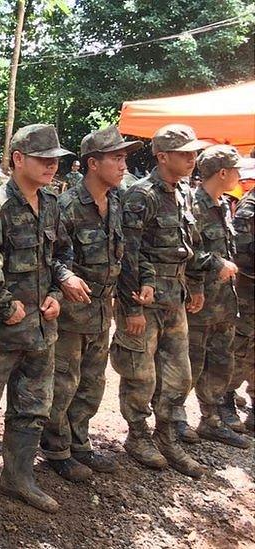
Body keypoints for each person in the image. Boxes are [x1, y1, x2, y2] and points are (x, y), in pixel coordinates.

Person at [0, 124, 78, 513]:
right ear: (18, 159)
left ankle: (17, 478)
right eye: (43, 159)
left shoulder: (51, 204)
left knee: (33, 410)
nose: (52, 165)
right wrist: (2, 304)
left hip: (41, 333)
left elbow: (62, 256)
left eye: (55, 159)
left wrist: (54, 292)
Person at [40, 125, 142, 482]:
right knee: (64, 382)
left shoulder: (116, 202)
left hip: (101, 312)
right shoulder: (65, 206)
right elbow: (49, 256)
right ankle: (56, 448)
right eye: (117, 158)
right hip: (70, 315)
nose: (123, 164)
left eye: (124, 157)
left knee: (92, 384)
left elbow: (123, 255)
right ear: (93, 163)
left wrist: (133, 301)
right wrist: (65, 277)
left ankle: (79, 443)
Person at [110, 124, 209, 478]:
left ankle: (166, 436)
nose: (191, 159)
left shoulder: (182, 192)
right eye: (184, 153)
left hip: (175, 298)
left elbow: (189, 246)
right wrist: (133, 307)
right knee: (140, 375)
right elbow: (129, 255)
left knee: (179, 376)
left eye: (194, 153)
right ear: (162, 156)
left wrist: (194, 285)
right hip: (146, 299)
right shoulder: (142, 195)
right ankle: (137, 436)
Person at [176, 145, 251, 449]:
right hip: (200, 301)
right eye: (235, 170)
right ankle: (175, 423)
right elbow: (185, 251)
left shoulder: (221, 205)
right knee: (190, 365)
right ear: (222, 172)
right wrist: (215, 265)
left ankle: (211, 420)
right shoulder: (192, 206)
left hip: (224, 303)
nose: (239, 176)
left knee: (221, 362)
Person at [226, 181, 255, 432]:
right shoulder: (248, 209)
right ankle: (225, 397)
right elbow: (241, 254)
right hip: (248, 292)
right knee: (241, 347)